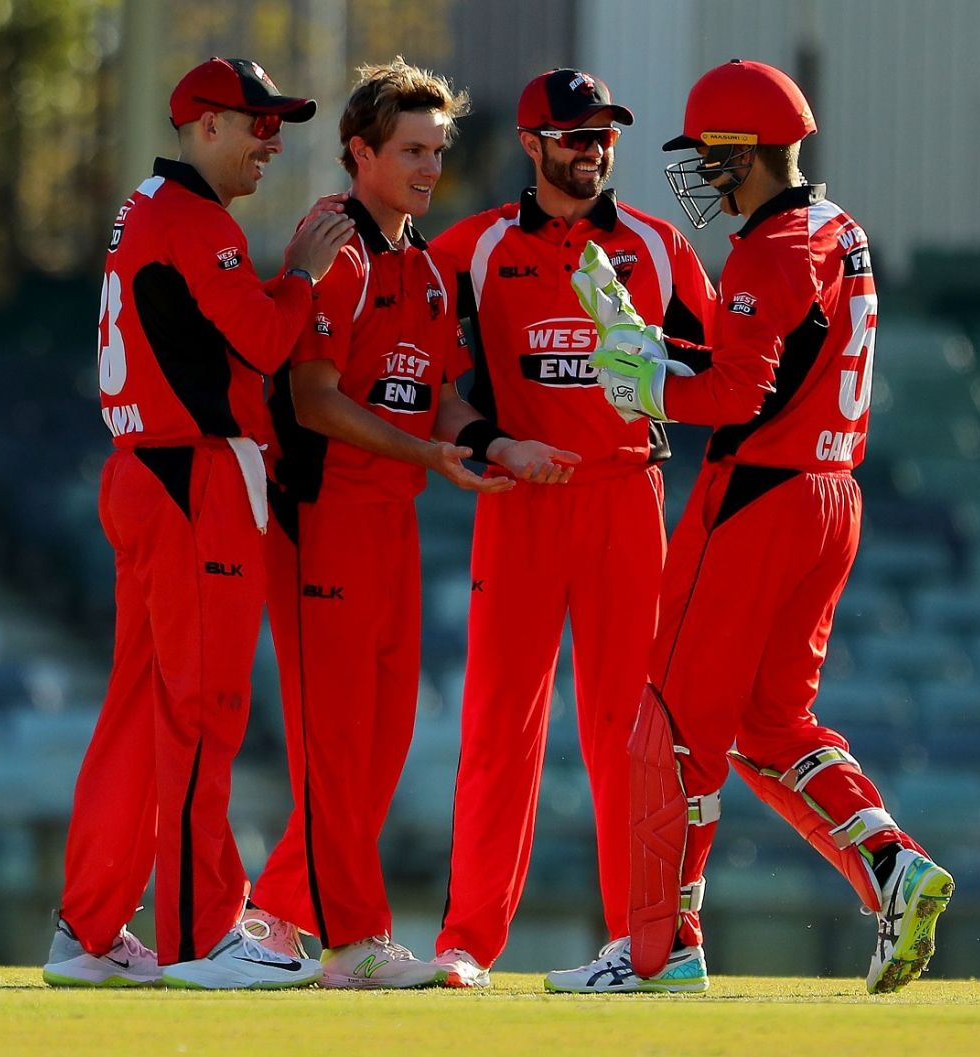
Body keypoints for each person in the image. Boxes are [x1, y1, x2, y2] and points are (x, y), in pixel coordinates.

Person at [545, 59, 954, 995]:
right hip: (831, 496)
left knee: (672, 729)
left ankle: (659, 952)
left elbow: (736, 393)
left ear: (742, 153)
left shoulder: (770, 248)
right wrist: (653, 348)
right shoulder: (837, 229)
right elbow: (771, 360)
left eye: (710, 157)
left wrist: (640, 378)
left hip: (757, 502)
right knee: (771, 723)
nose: (702, 176)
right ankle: (893, 864)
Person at [238, 57, 579, 990]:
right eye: (413, 150)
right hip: (322, 518)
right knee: (338, 744)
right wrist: (429, 456)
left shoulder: (426, 270)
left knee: (382, 744)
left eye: (440, 149)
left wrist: (492, 443)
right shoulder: (333, 248)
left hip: (388, 519)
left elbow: (437, 400)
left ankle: (299, 927)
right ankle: (330, 932)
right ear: (360, 152)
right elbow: (311, 400)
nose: (432, 168)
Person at [42, 56, 355, 990]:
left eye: (278, 126)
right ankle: (199, 932)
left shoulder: (146, 204)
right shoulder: (191, 217)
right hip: (193, 480)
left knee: (139, 716)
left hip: (146, 472)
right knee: (202, 712)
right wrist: (301, 275)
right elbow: (263, 341)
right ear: (206, 125)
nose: (272, 143)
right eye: (257, 124)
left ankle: (89, 928)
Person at [423, 68, 718, 988]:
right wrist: (489, 439)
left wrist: (655, 355)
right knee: (496, 724)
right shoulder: (473, 248)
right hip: (520, 507)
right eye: (575, 135)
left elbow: (725, 374)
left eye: (605, 136)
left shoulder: (658, 247)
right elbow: (421, 374)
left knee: (629, 734)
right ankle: (466, 941)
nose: (593, 150)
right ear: (534, 143)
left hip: (627, 497)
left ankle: (650, 946)